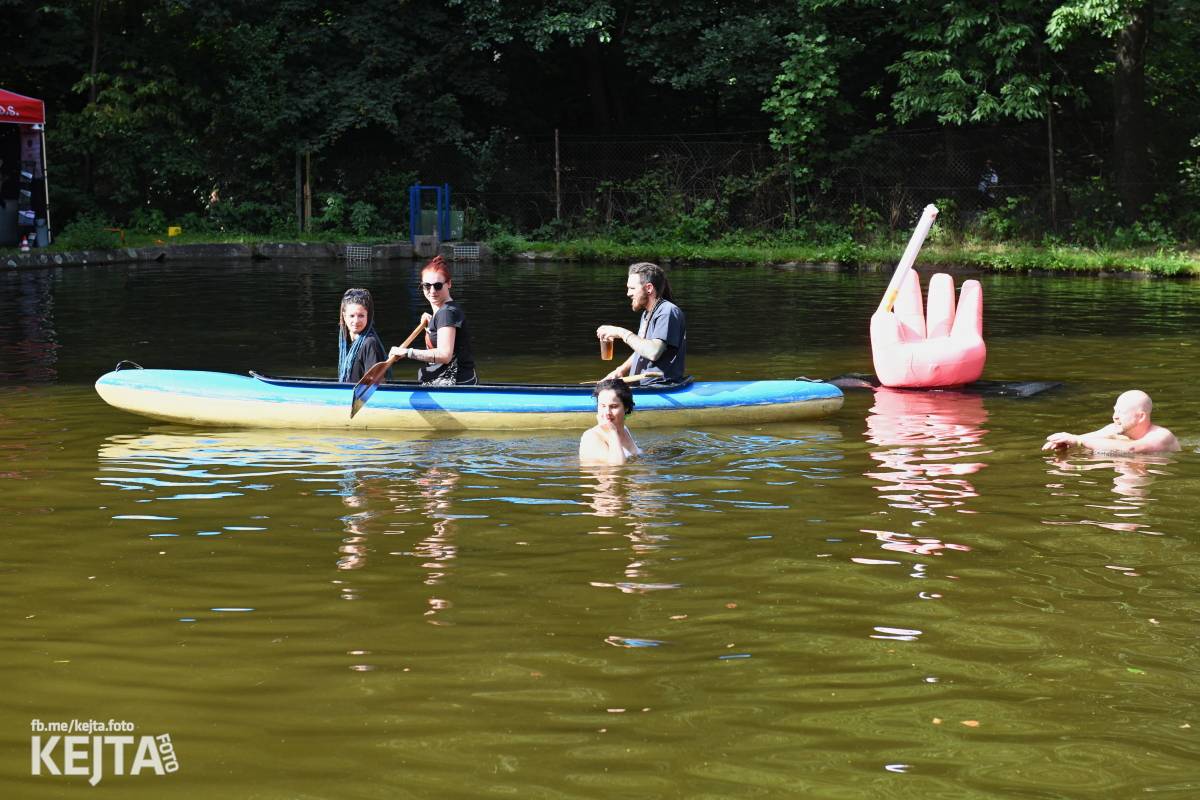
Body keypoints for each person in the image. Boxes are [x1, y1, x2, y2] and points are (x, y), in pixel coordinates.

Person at [388, 255, 478, 385]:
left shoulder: (446, 313)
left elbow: (444, 355)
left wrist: (407, 352)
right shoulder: (445, 310)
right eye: (427, 286)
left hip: (456, 385)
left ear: (449, 284)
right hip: (462, 379)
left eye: (438, 286)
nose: (432, 291)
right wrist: (432, 323)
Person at [595, 262, 686, 384]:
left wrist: (621, 333)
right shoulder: (647, 314)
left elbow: (653, 352)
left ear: (649, 288)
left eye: (632, 288)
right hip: (643, 387)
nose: (628, 293)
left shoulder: (667, 312)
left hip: (659, 388)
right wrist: (620, 370)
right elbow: (642, 349)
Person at [1043, 389, 1180, 454]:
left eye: (1121, 412)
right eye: (1115, 411)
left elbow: (1132, 449)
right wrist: (1065, 443)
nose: (1115, 416)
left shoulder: (1161, 436)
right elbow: (1080, 439)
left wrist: (1078, 441)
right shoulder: (1114, 429)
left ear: (1141, 417)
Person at [579, 378, 640, 465]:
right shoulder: (591, 436)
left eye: (613, 406)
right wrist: (612, 432)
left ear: (626, 407)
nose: (607, 412)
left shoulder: (624, 429)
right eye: (603, 406)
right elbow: (616, 469)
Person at [337, 287, 386, 383]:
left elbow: (374, 385)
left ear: (368, 316)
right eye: (352, 316)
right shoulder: (346, 341)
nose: (356, 321)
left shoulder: (370, 343)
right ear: (344, 315)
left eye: (361, 315)